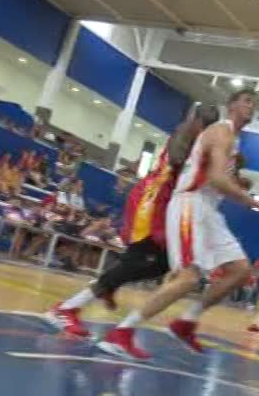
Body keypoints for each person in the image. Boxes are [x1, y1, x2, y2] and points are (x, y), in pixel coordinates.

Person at [98, 89, 259, 359]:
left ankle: (186, 322)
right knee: (189, 278)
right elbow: (216, 179)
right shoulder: (221, 131)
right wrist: (255, 202)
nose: (252, 107)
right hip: (191, 204)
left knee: (240, 271)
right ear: (231, 105)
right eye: (247, 101)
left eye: (254, 104)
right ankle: (121, 333)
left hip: (209, 209)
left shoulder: (233, 141)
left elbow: (218, 182)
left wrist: (238, 186)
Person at [45, 104, 221, 336]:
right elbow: (179, 164)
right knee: (137, 260)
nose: (208, 130)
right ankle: (67, 308)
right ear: (196, 121)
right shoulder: (184, 135)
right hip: (151, 203)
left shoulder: (200, 142)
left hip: (166, 205)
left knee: (165, 263)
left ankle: (109, 284)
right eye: (206, 125)